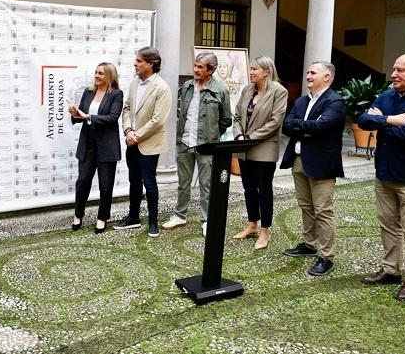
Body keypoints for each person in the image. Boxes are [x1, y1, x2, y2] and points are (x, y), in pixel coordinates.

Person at [358, 52, 405, 301]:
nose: (394, 74)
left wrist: (382, 126)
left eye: (400, 70)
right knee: (388, 226)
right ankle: (391, 270)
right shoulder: (388, 95)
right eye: (394, 69)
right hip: (385, 174)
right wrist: (390, 120)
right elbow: (364, 119)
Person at [280, 61, 345, 276]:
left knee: (323, 211)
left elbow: (323, 126)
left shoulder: (335, 101)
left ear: (327, 77)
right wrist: (306, 128)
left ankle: (326, 257)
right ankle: (309, 245)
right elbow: (287, 125)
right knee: (306, 207)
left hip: (322, 163)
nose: (308, 75)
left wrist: (303, 126)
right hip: (299, 160)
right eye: (307, 72)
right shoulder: (300, 101)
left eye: (313, 72)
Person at [161, 52, 232, 236]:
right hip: (184, 142)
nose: (196, 70)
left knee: (206, 185)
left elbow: (226, 120)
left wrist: (212, 135)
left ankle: (207, 220)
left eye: (201, 67)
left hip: (206, 145)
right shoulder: (186, 86)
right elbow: (181, 113)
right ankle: (179, 215)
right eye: (195, 65)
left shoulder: (220, 90)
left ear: (211, 70)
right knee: (183, 183)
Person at [113, 47, 172, 237]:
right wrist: (128, 130)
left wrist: (136, 135)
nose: (134, 64)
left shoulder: (162, 87)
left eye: (139, 61)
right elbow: (127, 108)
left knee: (150, 183)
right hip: (132, 141)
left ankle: (153, 222)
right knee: (134, 181)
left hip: (148, 143)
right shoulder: (133, 84)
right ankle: (133, 218)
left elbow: (158, 120)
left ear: (151, 64)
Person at [231, 56, 288, 249]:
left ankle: (265, 231)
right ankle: (252, 224)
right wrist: (239, 136)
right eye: (251, 68)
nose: (251, 71)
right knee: (248, 189)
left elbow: (275, 121)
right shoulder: (247, 89)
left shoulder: (279, 91)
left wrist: (251, 137)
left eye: (255, 69)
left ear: (266, 71)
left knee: (264, 190)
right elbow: (237, 115)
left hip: (264, 148)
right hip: (244, 148)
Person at [69, 62, 123, 234]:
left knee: (105, 185)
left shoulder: (116, 94)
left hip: (107, 145)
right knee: (82, 181)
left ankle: (102, 217)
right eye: (96, 72)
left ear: (109, 76)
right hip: (87, 144)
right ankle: (78, 215)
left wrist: (89, 116)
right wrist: (75, 114)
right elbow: (82, 116)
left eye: (100, 73)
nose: (97, 76)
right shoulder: (88, 91)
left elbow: (112, 118)